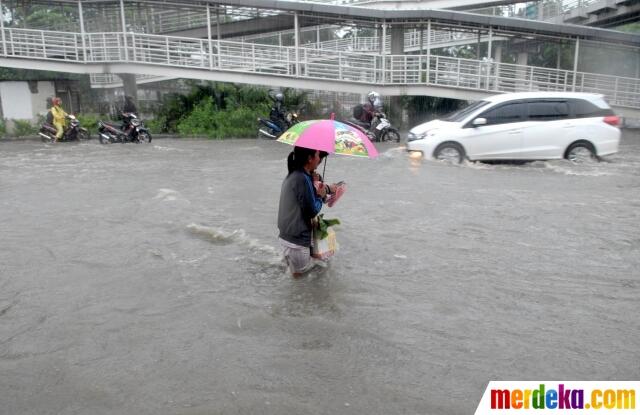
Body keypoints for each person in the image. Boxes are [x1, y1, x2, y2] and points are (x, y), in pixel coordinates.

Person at [277, 146, 328, 278]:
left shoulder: (294, 174)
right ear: (309, 158)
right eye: (317, 155)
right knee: (306, 279)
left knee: (295, 277)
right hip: (297, 243)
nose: (319, 158)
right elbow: (312, 211)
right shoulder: (302, 179)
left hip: (286, 238)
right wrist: (321, 196)